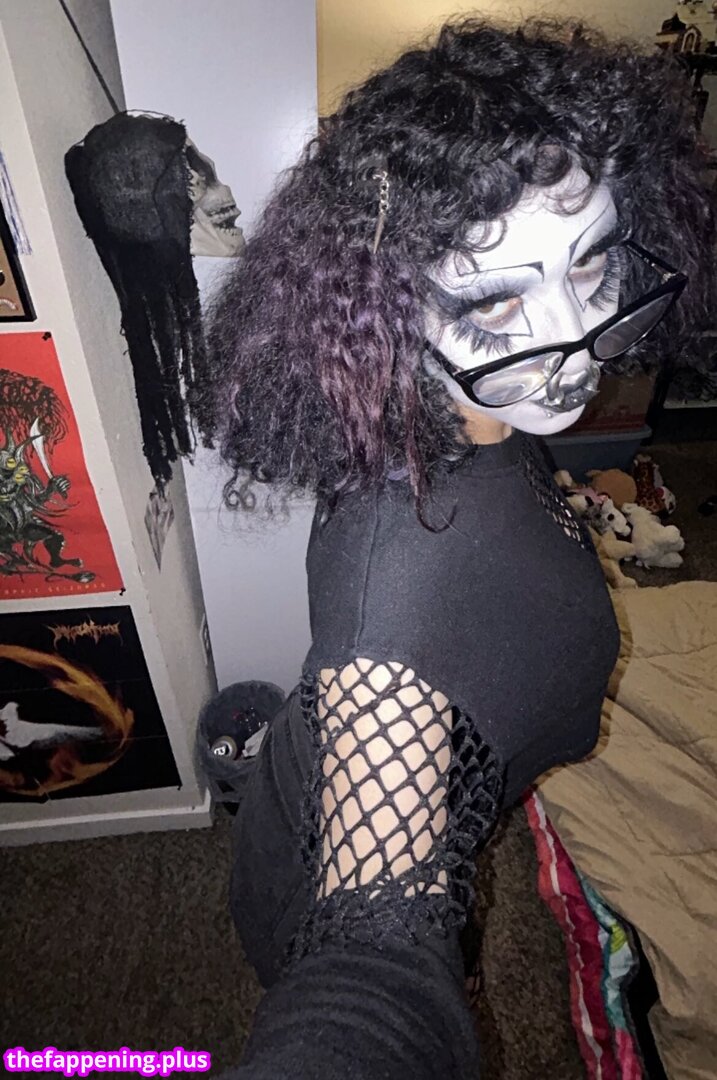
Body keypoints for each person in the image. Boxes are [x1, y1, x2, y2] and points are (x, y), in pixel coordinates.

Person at [207, 17, 715, 1078]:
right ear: (379, 309)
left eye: (591, 263)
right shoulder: (395, 616)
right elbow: (369, 965)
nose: (571, 347)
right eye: (494, 303)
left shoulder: (463, 409)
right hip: (311, 866)